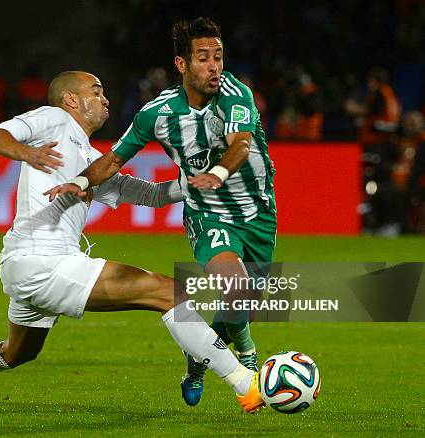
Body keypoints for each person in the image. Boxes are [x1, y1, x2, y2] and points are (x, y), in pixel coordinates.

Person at [0, 70, 263, 415]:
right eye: (96, 91)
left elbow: (150, 195)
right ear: (71, 99)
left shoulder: (91, 160)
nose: (105, 99)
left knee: (16, 352)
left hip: (26, 266)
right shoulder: (54, 119)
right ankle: (245, 382)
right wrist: (28, 153)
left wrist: (194, 182)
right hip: (45, 263)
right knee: (169, 293)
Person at [46, 18, 276, 407]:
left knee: (243, 300)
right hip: (207, 213)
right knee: (235, 286)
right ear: (182, 64)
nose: (214, 66)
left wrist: (217, 173)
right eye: (203, 58)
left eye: (218, 57)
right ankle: (249, 360)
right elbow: (114, 160)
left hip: (257, 212)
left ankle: (197, 361)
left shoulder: (238, 95)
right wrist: (81, 183)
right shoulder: (157, 113)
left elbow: (239, 146)